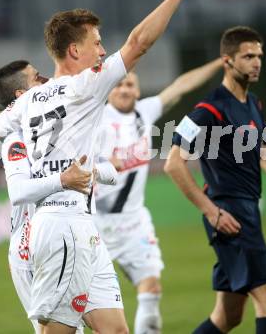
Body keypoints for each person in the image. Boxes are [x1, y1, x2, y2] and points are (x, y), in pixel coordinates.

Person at [0, 0, 208, 334]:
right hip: (61, 223)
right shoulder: (87, 85)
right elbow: (140, 42)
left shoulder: (30, 100)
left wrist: (100, 170)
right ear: (74, 51)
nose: (103, 52)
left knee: (117, 329)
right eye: (97, 44)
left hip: (83, 225)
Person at [164, 26, 266, 334]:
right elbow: (174, 164)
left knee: (228, 316)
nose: (257, 62)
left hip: (244, 210)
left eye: (259, 56)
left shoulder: (254, 104)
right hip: (230, 215)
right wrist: (211, 211)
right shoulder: (208, 109)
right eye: (248, 56)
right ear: (227, 60)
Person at [94, 58, 222, 334]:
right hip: (94, 223)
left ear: (138, 91)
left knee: (151, 288)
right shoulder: (96, 118)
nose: (125, 90)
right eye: (118, 85)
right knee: (90, 307)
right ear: (109, 91)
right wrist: (103, 162)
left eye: (130, 85)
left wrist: (219, 63)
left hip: (133, 222)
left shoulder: (144, 112)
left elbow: (180, 86)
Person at [0, 60, 119, 334]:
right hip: (35, 242)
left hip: (82, 231)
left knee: (115, 329)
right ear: (20, 97)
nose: (47, 79)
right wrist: (64, 179)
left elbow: (111, 170)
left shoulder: (64, 126)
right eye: (37, 77)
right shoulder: (16, 139)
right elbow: (18, 192)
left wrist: (93, 171)